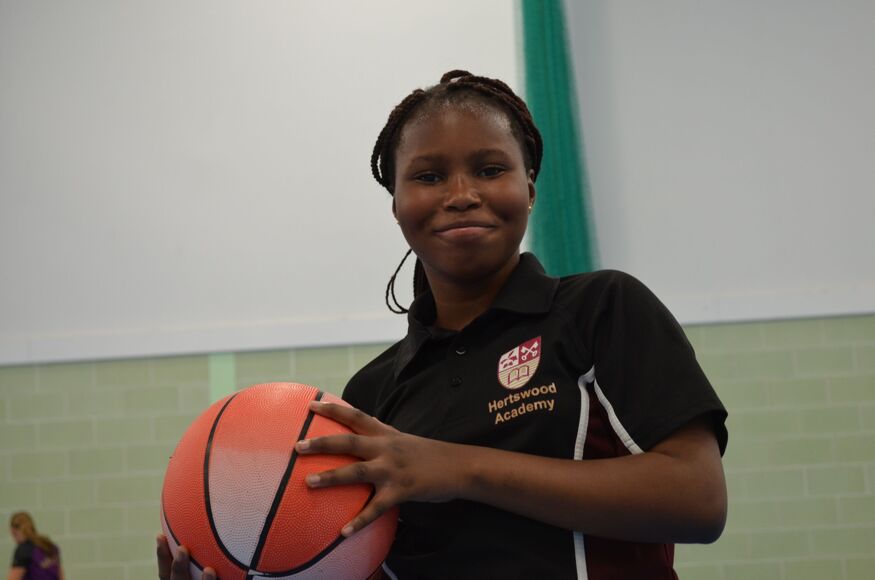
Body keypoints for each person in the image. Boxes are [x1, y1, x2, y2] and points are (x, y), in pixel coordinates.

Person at [158, 70, 728, 579]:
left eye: (490, 169)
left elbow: (698, 500)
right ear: (396, 204)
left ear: (530, 188)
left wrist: (459, 469)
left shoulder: (600, 309)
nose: (461, 195)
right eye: (429, 176)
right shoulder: (371, 395)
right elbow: (362, 564)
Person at [8, 512, 64, 580]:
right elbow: (61, 576)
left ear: (13, 530)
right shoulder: (50, 545)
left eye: (13, 535)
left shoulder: (23, 550)